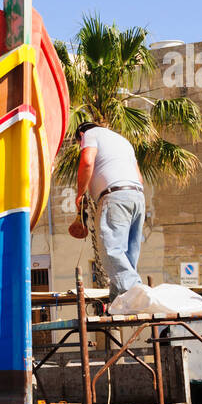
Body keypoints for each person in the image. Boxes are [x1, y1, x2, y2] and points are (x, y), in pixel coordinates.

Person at [67, 121, 145, 303]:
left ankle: (135, 291)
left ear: (80, 134)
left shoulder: (90, 135)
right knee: (128, 255)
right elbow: (139, 177)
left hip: (114, 195)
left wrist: (80, 194)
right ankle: (119, 301)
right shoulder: (123, 142)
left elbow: (87, 162)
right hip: (137, 196)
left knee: (110, 249)